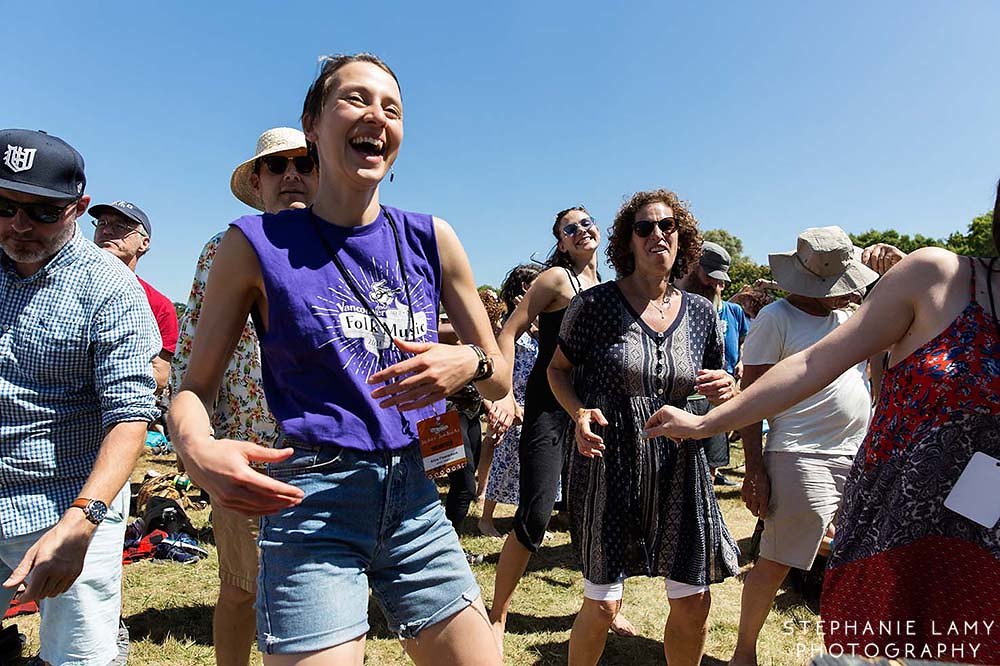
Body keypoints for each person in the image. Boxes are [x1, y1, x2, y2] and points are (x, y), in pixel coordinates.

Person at [167, 54, 508, 666]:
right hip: (313, 502)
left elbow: (498, 371)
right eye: (355, 99)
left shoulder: (434, 238)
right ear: (313, 124)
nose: (376, 116)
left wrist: (469, 363)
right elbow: (192, 387)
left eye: (392, 107)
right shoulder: (252, 246)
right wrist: (197, 447)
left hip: (416, 497)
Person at [644, 183, 1000, 664]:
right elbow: (807, 368)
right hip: (847, 481)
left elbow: (878, 373)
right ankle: (745, 650)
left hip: (962, 517)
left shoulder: (853, 309)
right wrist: (719, 433)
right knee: (781, 558)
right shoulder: (933, 279)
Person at [547, 188, 740, 666]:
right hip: (610, 467)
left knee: (694, 603)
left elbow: (713, 384)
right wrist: (578, 412)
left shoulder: (701, 313)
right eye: (644, 227)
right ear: (627, 242)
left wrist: (725, 390)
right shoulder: (593, 306)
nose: (658, 234)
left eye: (667, 225)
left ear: (682, 237)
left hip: (680, 468)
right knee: (604, 603)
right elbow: (556, 370)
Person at [0, 128, 159, 666]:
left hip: (65, 505)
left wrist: (82, 520)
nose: (20, 225)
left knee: (79, 655)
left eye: (42, 211)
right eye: (4, 205)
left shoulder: (108, 288)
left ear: (77, 208)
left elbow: (130, 416)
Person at [169, 126, 318, 666]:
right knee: (240, 589)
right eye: (276, 167)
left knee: (320, 600)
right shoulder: (226, 247)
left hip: (333, 460)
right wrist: (199, 447)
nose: (292, 175)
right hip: (248, 453)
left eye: (305, 162)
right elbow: (190, 358)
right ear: (257, 182)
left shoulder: (346, 247)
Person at [724, 227, 879, 666]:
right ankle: (744, 653)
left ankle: (849, 651)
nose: (845, 293)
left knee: (852, 556)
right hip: (799, 454)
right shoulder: (775, 319)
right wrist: (753, 469)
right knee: (778, 559)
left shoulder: (850, 318)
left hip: (855, 454)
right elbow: (750, 398)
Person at [488, 206, 606, 648]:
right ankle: (497, 614)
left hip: (595, 410)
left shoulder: (611, 287)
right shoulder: (555, 280)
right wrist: (502, 393)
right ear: (560, 242)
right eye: (569, 229)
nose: (581, 231)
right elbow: (509, 330)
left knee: (600, 513)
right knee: (536, 512)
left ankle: (607, 608)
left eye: (586, 223)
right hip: (548, 407)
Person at [675, 241, 746, 485]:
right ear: (692, 266)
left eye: (720, 279)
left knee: (708, 472)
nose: (716, 285)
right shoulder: (664, 299)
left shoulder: (713, 307)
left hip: (709, 402)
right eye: (710, 277)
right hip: (674, 405)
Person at [479, 263, 542, 538]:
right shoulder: (510, 325)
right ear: (524, 287)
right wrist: (507, 401)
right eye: (535, 283)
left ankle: (524, 519)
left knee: (530, 466)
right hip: (513, 403)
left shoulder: (537, 322)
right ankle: (486, 519)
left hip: (536, 403)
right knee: (503, 463)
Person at [90, 199, 178, 393]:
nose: (107, 231)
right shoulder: (66, 284)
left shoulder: (159, 305)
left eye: (120, 226)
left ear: (144, 243)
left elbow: (161, 376)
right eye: (102, 223)